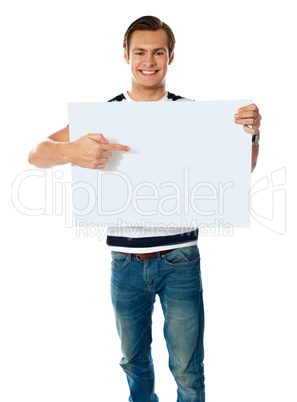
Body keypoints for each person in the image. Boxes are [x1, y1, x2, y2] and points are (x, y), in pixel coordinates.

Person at [28, 15, 261, 402]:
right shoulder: (103, 117)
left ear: (170, 57)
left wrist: (254, 133)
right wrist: (71, 151)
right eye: (140, 52)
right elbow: (36, 153)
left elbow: (243, 168)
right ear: (126, 56)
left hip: (181, 259)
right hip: (125, 262)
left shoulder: (195, 114)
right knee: (133, 363)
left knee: (188, 368)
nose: (148, 61)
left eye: (158, 52)